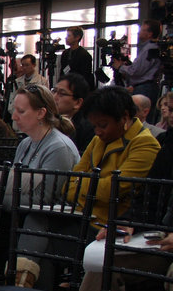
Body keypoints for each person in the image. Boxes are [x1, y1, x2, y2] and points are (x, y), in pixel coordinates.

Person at [4, 85, 82, 288]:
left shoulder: (58, 147)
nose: (14, 117)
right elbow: (16, 187)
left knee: (35, 219)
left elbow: (44, 200)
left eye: (21, 111)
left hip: (59, 220)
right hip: (25, 211)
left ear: (41, 113)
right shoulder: (25, 144)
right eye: (14, 110)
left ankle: (20, 285)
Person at [67, 86, 160, 227]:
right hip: (81, 217)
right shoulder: (98, 140)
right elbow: (68, 186)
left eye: (103, 125)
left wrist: (80, 184)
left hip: (107, 226)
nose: (97, 131)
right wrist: (92, 188)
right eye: (94, 126)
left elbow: (111, 190)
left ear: (124, 117)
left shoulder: (145, 144)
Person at [112, 19, 161, 105]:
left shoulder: (149, 49)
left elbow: (136, 71)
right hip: (144, 87)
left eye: (142, 30)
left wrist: (120, 67)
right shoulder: (150, 48)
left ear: (150, 34)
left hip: (144, 88)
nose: (139, 32)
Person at [53, 73, 93, 152]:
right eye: (54, 91)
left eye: (62, 94)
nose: (54, 97)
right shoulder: (48, 120)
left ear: (78, 102)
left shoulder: (87, 128)